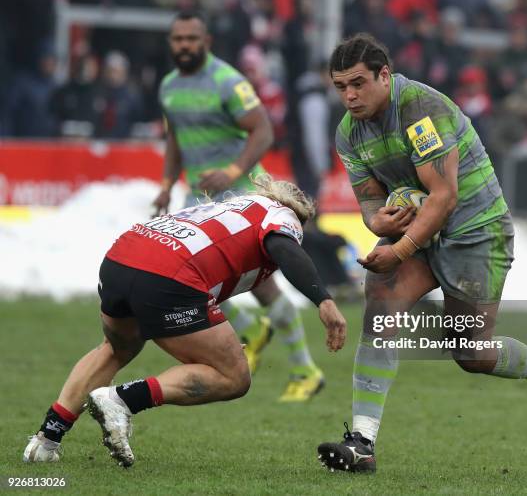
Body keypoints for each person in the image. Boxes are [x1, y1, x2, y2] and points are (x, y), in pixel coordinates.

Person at [316, 33, 527, 473]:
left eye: (358, 83)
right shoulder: (348, 133)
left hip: (477, 232)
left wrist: (398, 248)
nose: (349, 95)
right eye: (340, 86)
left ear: (385, 75)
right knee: (380, 310)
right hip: (421, 233)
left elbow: (444, 195)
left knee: (470, 353)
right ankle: (362, 442)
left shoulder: (420, 110)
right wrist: (379, 224)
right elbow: (370, 204)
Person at [23, 175, 347, 467]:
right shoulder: (282, 216)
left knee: (115, 349)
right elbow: (283, 247)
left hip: (121, 257)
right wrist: (324, 300)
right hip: (168, 275)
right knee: (234, 376)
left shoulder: (234, 207)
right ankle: (121, 399)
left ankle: (46, 440)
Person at [152, 11, 325, 401]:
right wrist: (165, 186)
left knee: (263, 287)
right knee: (189, 282)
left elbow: (263, 130)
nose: (184, 46)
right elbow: (175, 141)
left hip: (240, 198)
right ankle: (250, 328)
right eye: (177, 39)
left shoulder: (227, 81)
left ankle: (306, 371)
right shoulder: (168, 87)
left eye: (191, 39)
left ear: (206, 41)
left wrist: (232, 171)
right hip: (198, 201)